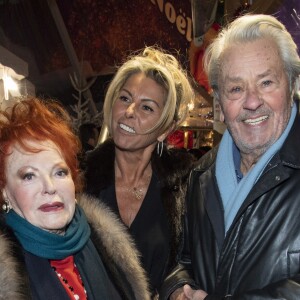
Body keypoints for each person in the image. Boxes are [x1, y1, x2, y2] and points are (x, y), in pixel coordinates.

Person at [160, 14, 300, 300]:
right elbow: (186, 261)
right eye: (236, 88)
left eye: (266, 82)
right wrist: (176, 290)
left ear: (292, 86)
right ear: (220, 106)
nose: (251, 101)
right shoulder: (201, 175)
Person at [0, 97, 151, 300]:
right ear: (5, 192)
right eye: (29, 176)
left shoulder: (104, 242)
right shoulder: (6, 273)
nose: (50, 187)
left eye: (59, 172)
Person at [84, 46, 196, 297]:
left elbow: (189, 263)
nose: (129, 112)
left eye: (147, 107)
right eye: (124, 98)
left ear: (165, 128)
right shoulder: (79, 178)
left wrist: (177, 290)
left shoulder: (185, 188)